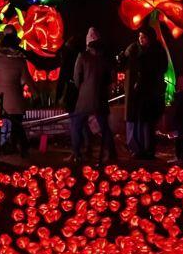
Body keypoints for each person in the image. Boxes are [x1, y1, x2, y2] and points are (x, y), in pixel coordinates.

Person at [0, 33, 37, 158]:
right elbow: (27, 79)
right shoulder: (20, 60)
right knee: (17, 126)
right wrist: (36, 94)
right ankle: (22, 149)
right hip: (15, 100)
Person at [68, 28, 118, 164]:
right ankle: (111, 153)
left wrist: (82, 88)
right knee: (104, 126)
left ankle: (77, 154)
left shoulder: (82, 56)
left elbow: (77, 77)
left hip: (84, 98)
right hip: (100, 97)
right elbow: (110, 79)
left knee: (76, 125)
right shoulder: (105, 59)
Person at [118, 26, 168, 159]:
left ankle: (148, 150)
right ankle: (137, 149)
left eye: (144, 37)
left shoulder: (157, 50)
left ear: (150, 37)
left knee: (147, 122)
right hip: (136, 93)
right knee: (136, 120)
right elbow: (123, 62)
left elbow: (162, 68)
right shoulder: (134, 49)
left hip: (150, 92)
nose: (141, 39)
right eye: (140, 36)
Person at [56, 36, 82, 113]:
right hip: (84, 93)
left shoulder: (67, 60)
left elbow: (62, 79)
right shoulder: (84, 57)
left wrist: (59, 96)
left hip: (72, 93)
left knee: (75, 120)